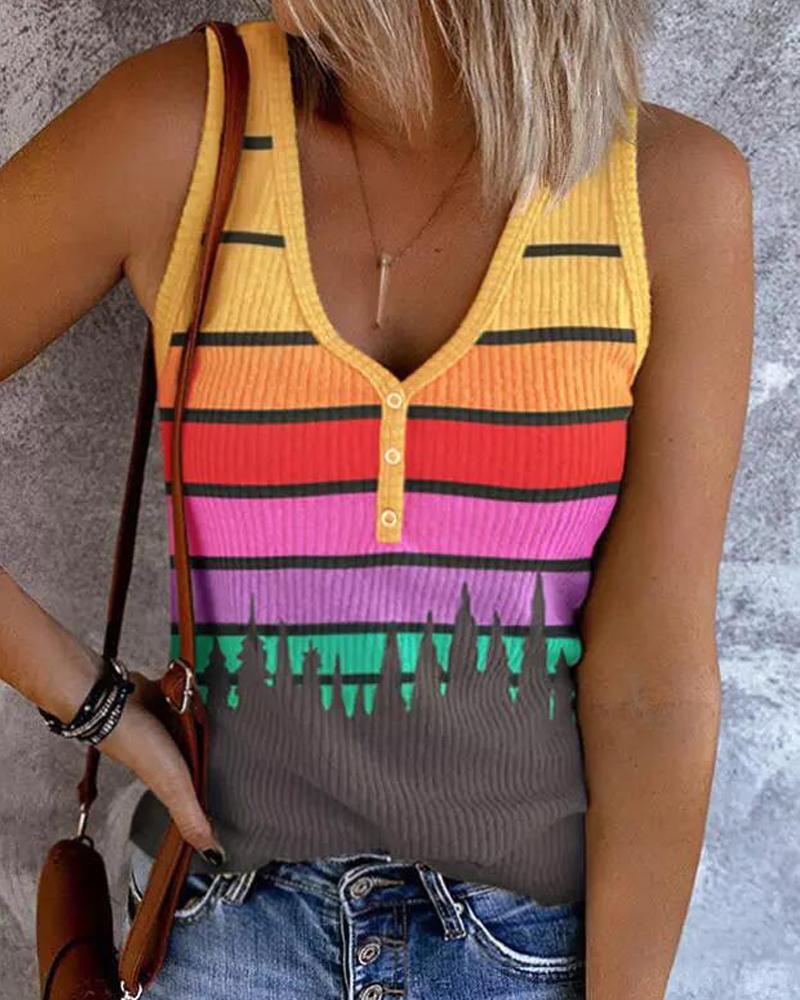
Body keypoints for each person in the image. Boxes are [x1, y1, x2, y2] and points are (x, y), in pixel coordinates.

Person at [0, 2, 754, 998]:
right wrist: (92, 701)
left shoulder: (668, 191)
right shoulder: (181, 127)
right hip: (224, 936)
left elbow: (654, 681)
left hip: (528, 953)